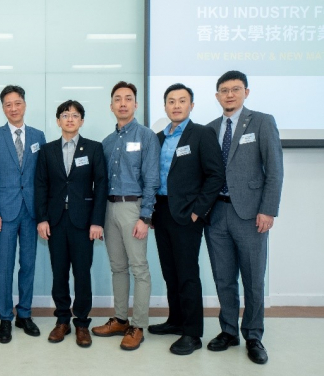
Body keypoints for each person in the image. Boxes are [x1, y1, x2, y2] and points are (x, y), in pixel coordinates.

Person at [204, 71, 284, 365]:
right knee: (223, 278)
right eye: (224, 90)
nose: (229, 95)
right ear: (217, 96)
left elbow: (274, 170)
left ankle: (253, 335)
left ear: (246, 92)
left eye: (235, 89)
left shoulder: (262, 122)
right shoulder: (211, 129)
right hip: (217, 214)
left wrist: (268, 209)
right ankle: (228, 331)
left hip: (251, 214)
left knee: (252, 278)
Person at [148, 83, 224, 355]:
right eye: (171, 101)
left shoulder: (202, 134)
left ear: (191, 105)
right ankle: (176, 320)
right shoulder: (157, 137)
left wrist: (198, 211)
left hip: (188, 215)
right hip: (162, 212)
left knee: (188, 274)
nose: (176, 105)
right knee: (170, 271)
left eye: (182, 101)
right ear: (165, 105)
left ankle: (192, 333)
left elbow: (215, 175)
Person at [92, 82, 159, 351]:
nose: (122, 103)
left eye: (128, 99)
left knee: (139, 268)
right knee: (117, 267)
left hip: (134, 209)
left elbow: (152, 178)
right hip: (109, 209)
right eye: (117, 99)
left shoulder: (146, 136)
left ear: (136, 104)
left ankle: (138, 324)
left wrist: (146, 217)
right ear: (111, 106)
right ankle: (120, 319)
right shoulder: (106, 143)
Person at [35, 100, 108, 347]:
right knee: (59, 273)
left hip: (83, 222)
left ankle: (82, 323)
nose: (69, 119)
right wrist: (42, 219)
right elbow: (41, 186)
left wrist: (97, 221)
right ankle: (62, 320)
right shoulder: (47, 150)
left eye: (75, 115)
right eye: (65, 115)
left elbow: (101, 187)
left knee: (82, 273)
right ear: (58, 121)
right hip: (56, 221)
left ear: (81, 121)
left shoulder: (94, 149)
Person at [0, 85, 46, 344]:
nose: (13, 108)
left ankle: (25, 314)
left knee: (28, 265)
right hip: (5, 213)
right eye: (8, 104)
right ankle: (5, 318)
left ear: (25, 104)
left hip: (31, 212)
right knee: (5, 267)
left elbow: (43, 178)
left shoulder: (38, 135)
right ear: (3, 108)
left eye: (17, 103)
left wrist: (43, 213)